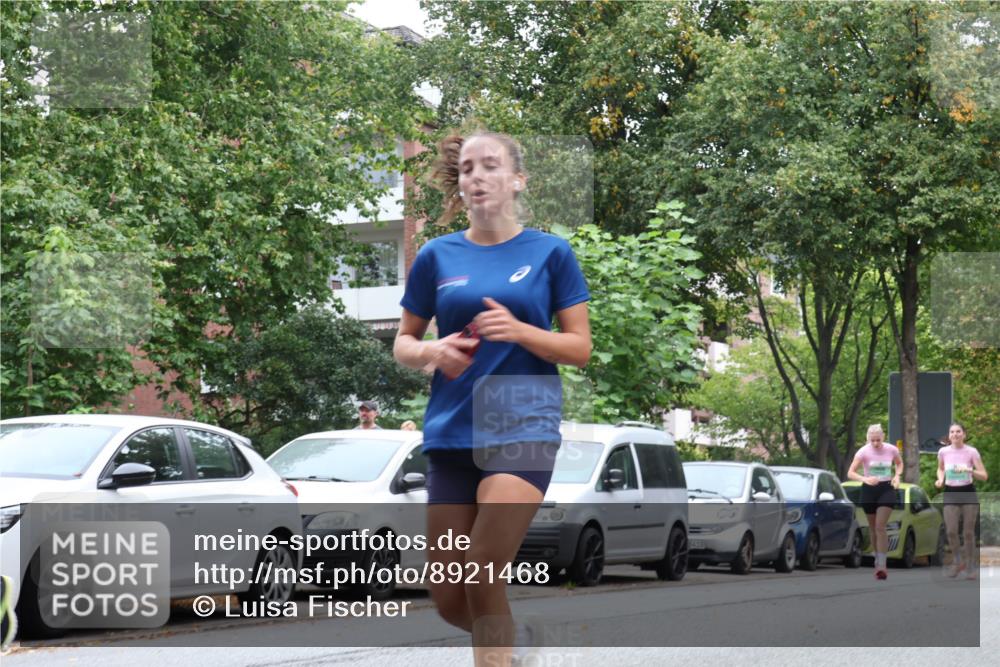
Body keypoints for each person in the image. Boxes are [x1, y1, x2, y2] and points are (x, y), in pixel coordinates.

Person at [393, 129, 591, 667]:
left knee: (482, 568)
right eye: (466, 169)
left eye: (489, 166)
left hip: (523, 427)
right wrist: (433, 352)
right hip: (452, 432)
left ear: (516, 180)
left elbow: (579, 347)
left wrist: (521, 330)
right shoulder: (437, 255)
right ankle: (516, 642)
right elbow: (403, 343)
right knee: (449, 594)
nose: (475, 177)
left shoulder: (551, 252)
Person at [847, 423, 902, 580]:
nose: (876, 443)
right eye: (873, 440)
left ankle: (882, 565)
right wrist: (865, 478)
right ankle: (877, 557)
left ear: (883, 437)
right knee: (872, 527)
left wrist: (897, 475)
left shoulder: (891, 449)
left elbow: (899, 464)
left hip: (886, 489)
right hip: (869, 490)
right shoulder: (863, 452)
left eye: (878, 440)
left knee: (880, 526)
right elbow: (850, 473)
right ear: (868, 439)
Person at [935, 422, 988, 579]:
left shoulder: (971, 452)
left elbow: (984, 476)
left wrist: (968, 469)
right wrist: (940, 479)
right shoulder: (943, 451)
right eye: (952, 432)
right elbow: (941, 468)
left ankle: (970, 566)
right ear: (949, 435)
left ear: (964, 434)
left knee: (968, 533)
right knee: (951, 531)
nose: (955, 434)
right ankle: (958, 561)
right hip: (950, 492)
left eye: (958, 431)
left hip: (968, 493)